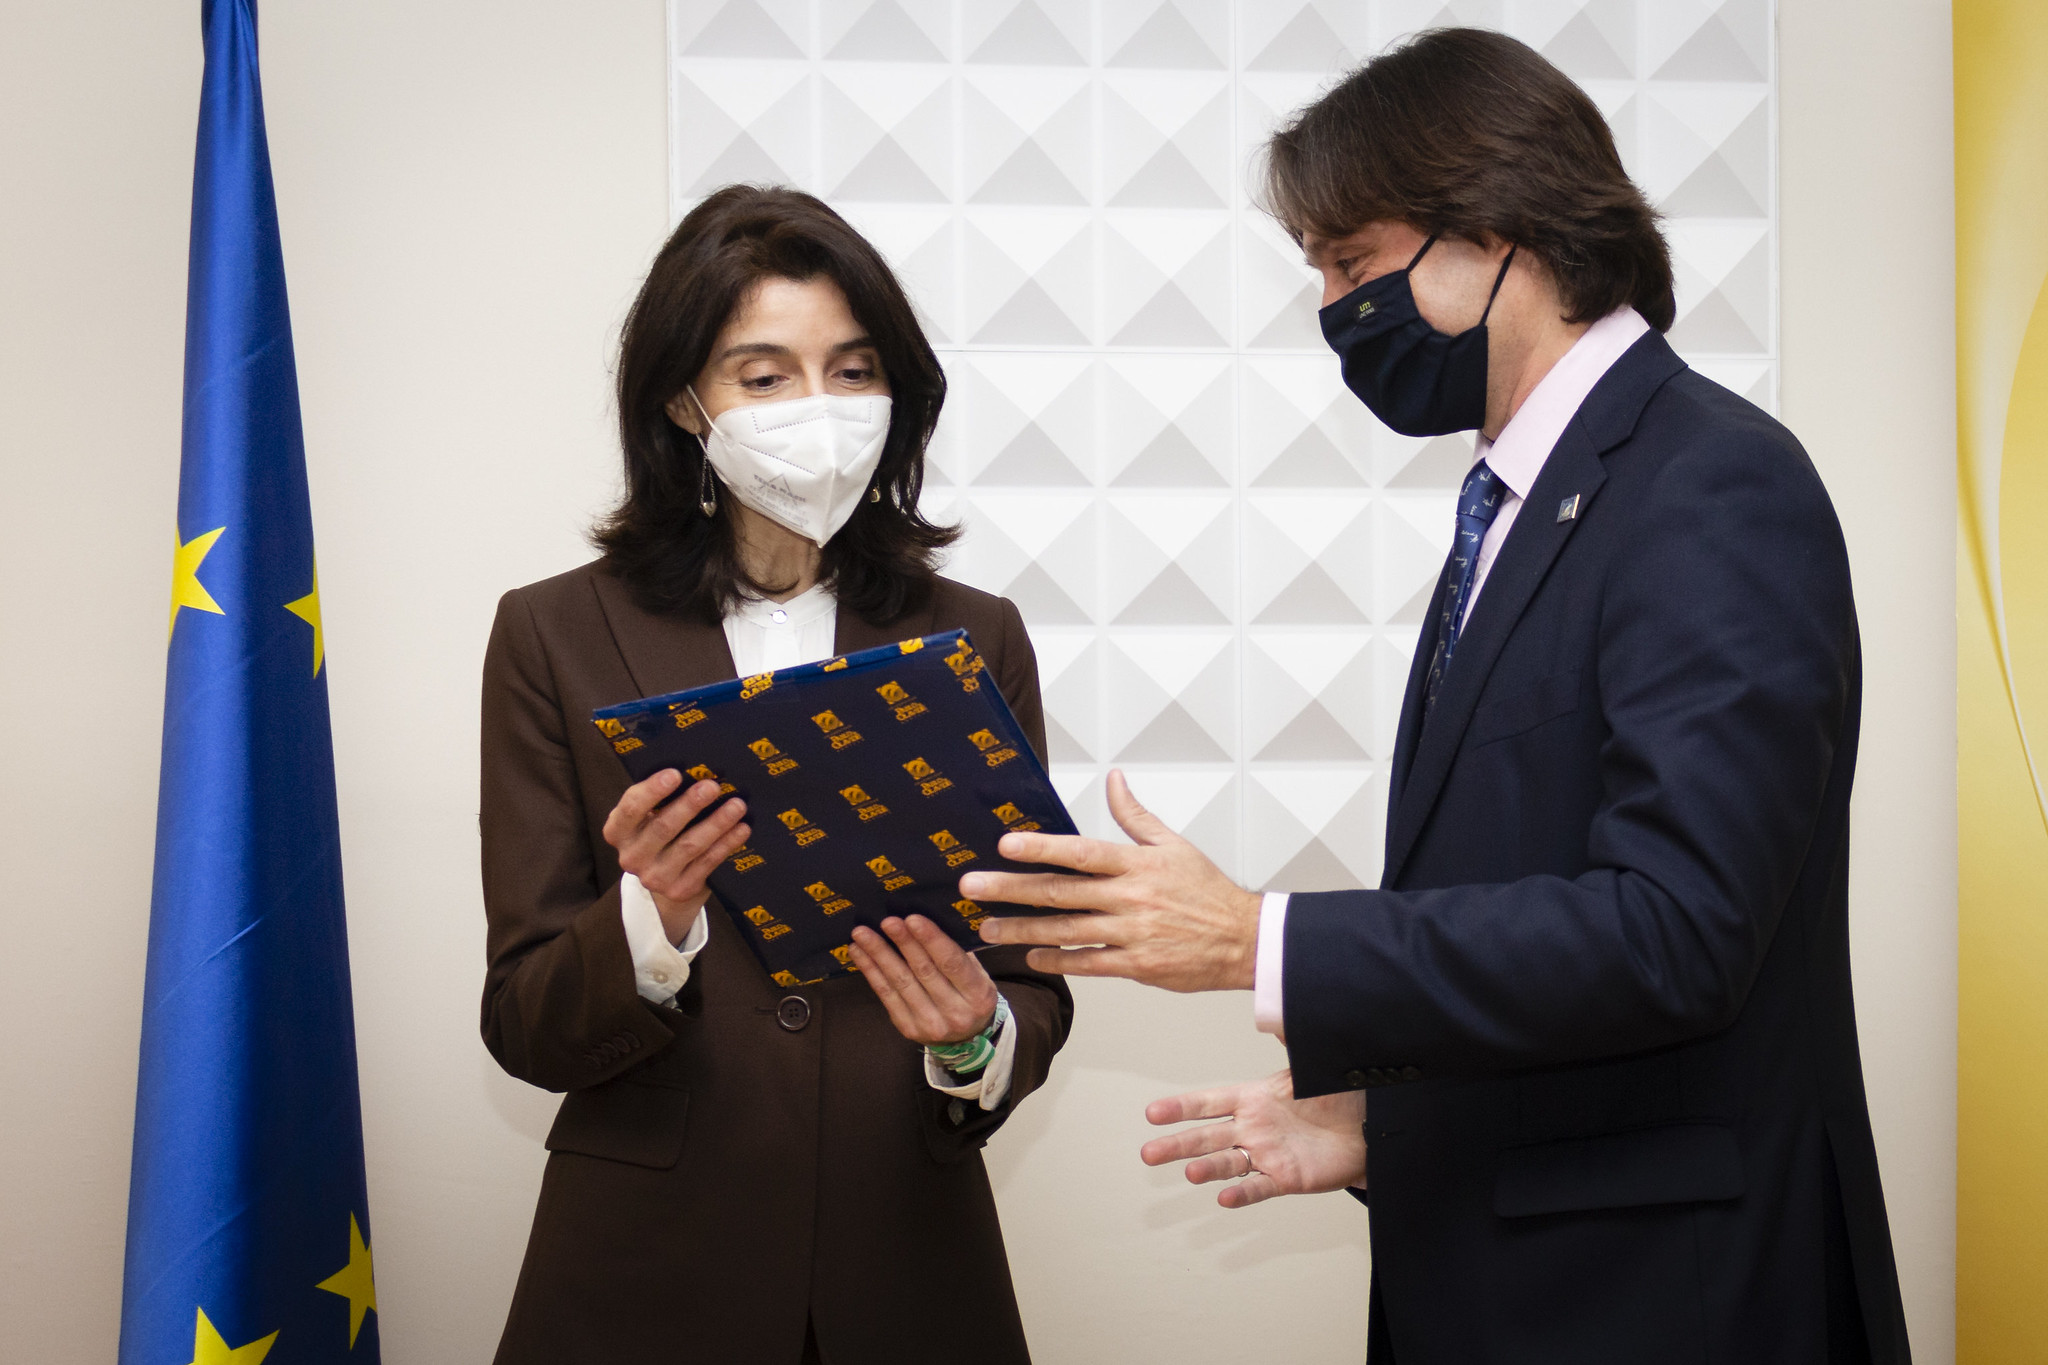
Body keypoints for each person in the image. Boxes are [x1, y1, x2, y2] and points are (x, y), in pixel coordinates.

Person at [969, 29, 1910, 1365]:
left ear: (1496, 226)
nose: (1333, 310)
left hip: (1664, 1303)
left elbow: (1677, 931)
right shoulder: (1523, 501)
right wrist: (1387, 1123)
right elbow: (1539, 912)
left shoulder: (1710, 483)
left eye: (1352, 263)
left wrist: (1256, 938)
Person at [479, 185, 1071, 1365]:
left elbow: (1027, 974)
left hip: (905, 1259)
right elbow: (524, 1022)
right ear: (681, 400)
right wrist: (650, 918)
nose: (819, 408)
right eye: (764, 376)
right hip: (643, 1273)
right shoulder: (550, 634)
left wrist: (973, 1039)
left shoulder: (975, 634)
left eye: (852, 372)